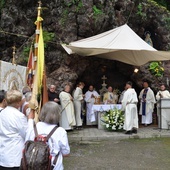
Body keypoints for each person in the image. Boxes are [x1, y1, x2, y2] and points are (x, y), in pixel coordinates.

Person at [27, 101, 70, 170]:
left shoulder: (34, 127)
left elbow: (27, 143)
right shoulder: (60, 131)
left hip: (34, 165)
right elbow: (66, 153)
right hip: (54, 166)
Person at [0, 90, 34, 169]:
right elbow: (27, 134)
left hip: (3, 153)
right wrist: (30, 120)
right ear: (18, 103)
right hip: (14, 155)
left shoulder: (2, 112)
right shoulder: (19, 116)